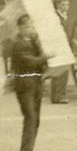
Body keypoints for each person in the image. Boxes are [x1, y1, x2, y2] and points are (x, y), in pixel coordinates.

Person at [10, 14, 54, 151]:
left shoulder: (32, 41)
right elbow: (31, 62)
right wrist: (44, 56)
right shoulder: (18, 44)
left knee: (35, 120)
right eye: (29, 26)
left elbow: (41, 60)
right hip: (24, 85)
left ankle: (29, 148)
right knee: (30, 117)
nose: (32, 29)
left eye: (32, 26)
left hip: (36, 84)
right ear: (21, 28)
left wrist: (39, 45)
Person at [50, 0, 70, 104]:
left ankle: (57, 96)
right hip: (58, 45)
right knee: (60, 71)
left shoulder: (64, 16)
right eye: (63, 4)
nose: (65, 7)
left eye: (67, 5)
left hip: (63, 46)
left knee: (62, 71)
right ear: (58, 5)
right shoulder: (55, 16)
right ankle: (58, 96)